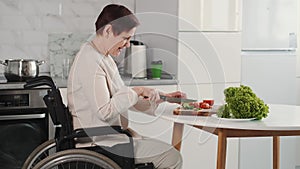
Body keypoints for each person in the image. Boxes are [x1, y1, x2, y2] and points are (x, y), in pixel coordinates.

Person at [67, 4, 184, 169]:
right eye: (125, 38)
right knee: (171, 157)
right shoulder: (90, 62)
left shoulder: (102, 58)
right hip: (99, 143)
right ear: (108, 31)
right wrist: (136, 91)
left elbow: (123, 99)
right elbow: (105, 111)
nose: (128, 44)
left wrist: (163, 97)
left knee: (166, 152)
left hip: (111, 138)